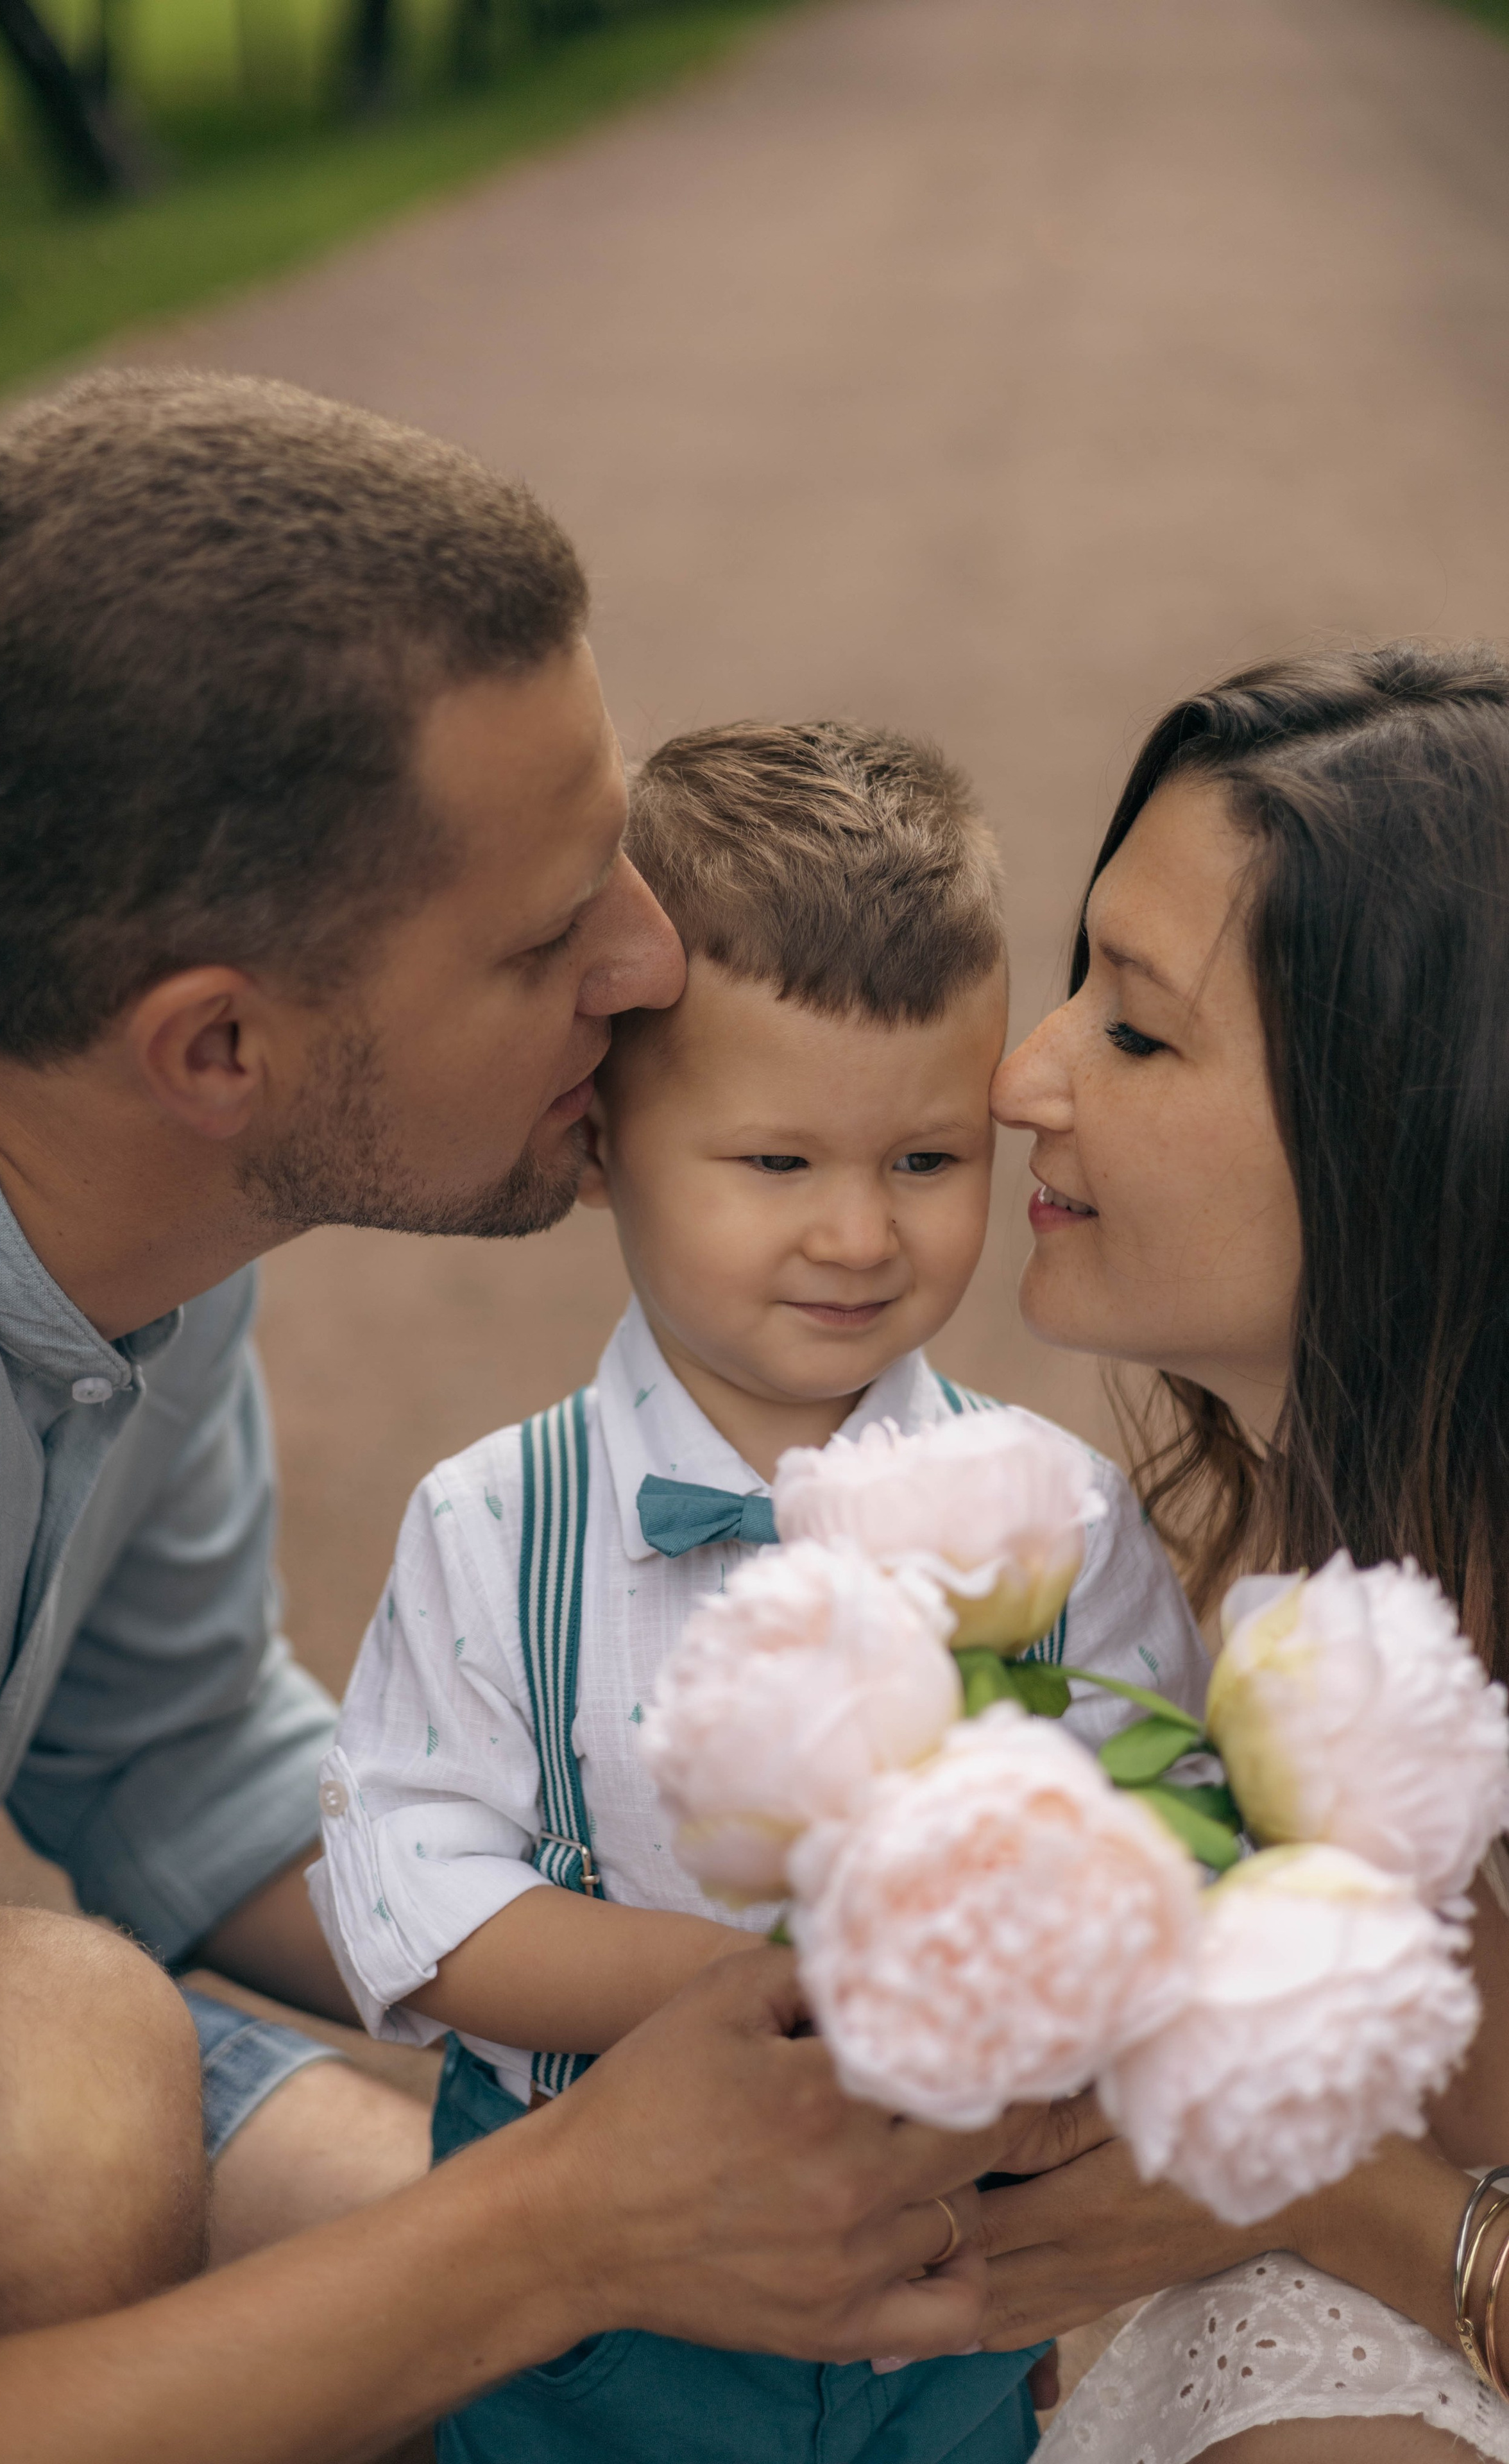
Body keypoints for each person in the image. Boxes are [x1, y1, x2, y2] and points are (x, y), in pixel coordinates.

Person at [0, 368, 1084, 2460]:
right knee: (47, 2102)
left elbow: (174, 1766)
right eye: (554, 935)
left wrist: (715, 2007)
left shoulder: (138, 1202)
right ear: (220, 1047)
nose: (648, 964)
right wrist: (558, 2231)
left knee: (782, 2283)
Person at [311, 717, 1210, 2463]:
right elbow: (411, 1884)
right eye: (779, 1164)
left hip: (943, 2272)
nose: (861, 1236)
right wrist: (756, 1991)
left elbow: (1170, 1806)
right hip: (594, 2290)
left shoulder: (1054, 1518)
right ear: (598, 1145)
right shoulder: (503, 1523)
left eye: (928, 1162)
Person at [985, 640, 1509, 2463]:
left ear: (1405, 1135)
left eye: (1134, 1027)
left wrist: (1310, 2188)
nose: (1020, 1077)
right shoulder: (1258, 1577)